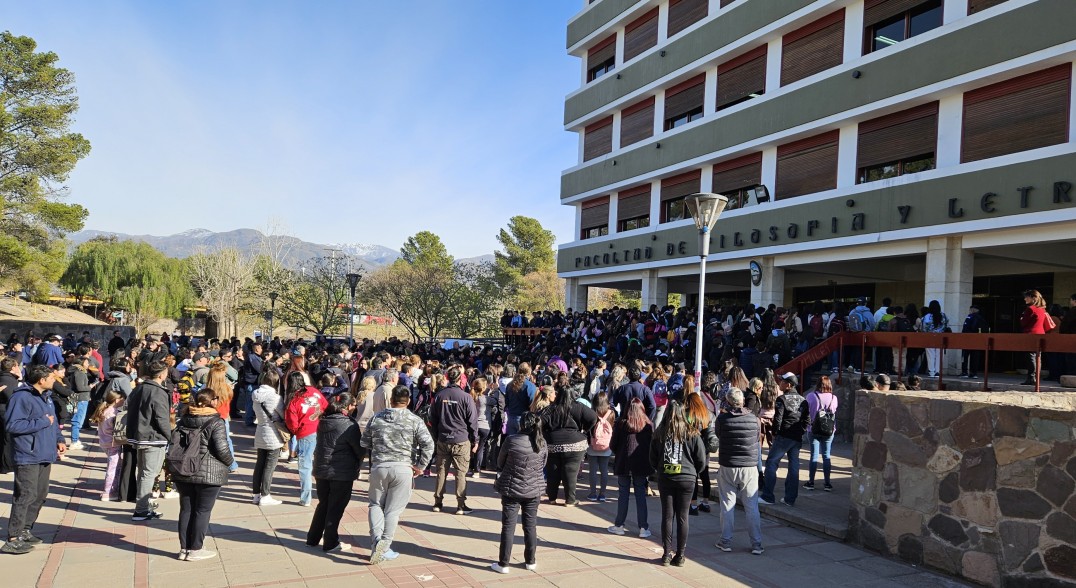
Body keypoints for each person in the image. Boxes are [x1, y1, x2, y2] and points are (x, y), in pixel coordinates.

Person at [363, 384, 435, 564]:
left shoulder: (376, 418)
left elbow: (364, 442)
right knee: (393, 511)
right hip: (403, 468)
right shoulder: (414, 420)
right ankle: (385, 545)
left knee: (375, 505)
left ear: (391, 400)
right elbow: (428, 444)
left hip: (379, 466)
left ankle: (377, 542)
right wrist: (420, 466)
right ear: (408, 401)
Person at [1, 365, 66, 555]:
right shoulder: (21, 397)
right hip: (27, 454)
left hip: (45, 452)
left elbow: (53, 422)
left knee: (39, 494)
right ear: (41, 380)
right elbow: (13, 425)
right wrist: (43, 422)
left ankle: (26, 529)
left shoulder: (46, 397)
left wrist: (59, 440)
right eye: (51, 378)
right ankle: (13, 537)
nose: (55, 380)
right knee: (25, 495)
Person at [172, 390, 233, 562]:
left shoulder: (184, 418)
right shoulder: (215, 421)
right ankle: (196, 549)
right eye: (216, 398)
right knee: (202, 511)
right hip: (208, 473)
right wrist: (230, 463)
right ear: (211, 401)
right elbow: (221, 448)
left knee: (186, 510)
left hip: (183, 469)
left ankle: (184, 549)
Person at [649, 401, 706, 567]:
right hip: (687, 478)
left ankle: (666, 554)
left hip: (666, 477)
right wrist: (693, 471)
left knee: (667, 516)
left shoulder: (660, 433)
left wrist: (660, 469)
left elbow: (652, 458)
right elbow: (701, 459)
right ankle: (680, 555)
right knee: (683, 517)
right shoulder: (693, 433)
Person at [491, 411, 548, 574]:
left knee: (508, 526)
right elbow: (543, 464)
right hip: (533, 489)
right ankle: (530, 561)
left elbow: (500, 462)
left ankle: (504, 564)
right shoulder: (541, 442)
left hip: (511, 489)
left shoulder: (511, 440)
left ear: (521, 424)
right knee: (530, 526)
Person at [307, 392, 363, 553]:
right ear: (347, 406)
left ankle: (313, 538)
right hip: (341, 471)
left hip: (322, 468)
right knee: (336, 507)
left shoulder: (324, 420)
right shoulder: (348, 425)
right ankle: (330, 542)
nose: (354, 408)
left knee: (323, 504)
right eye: (353, 405)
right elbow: (359, 449)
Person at [714, 387, 764, 555]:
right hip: (749, 466)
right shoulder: (754, 419)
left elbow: (719, 435)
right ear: (742, 401)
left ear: (728, 402)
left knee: (727, 505)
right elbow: (757, 438)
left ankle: (725, 541)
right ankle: (756, 543)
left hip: (728, 464)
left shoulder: (722, 419)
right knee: (752, 506)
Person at [540, 376, 597, 507]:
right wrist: (584, 430)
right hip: (575, 443)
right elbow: (593, 417)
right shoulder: (579, 406)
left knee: (552, 470)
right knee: (571, 471)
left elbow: (540, 420)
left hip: (553, 443)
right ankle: (570, 500)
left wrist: (546, 433)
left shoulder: (551, 408)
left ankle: (552, 497)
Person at [430, 365, 478, 514]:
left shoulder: (439, 395)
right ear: (460, 379)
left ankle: (438, 503)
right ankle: (460, 505)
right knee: (461, 473)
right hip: (460, 439)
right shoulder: (465, 397)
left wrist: (437, 436)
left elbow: (433, 419)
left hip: (444, 438)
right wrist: (475, 439)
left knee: (441, 472)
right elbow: (472, 421)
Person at [127, 360, 172, 521]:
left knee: (144, 473)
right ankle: (141, 509)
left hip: (139, 435)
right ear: (161, 374)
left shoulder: (140, 388)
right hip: (153, 437)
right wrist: (170, 436)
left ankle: (144, 505)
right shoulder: (158, 391)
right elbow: (161, 418)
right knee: (149, 473)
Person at [607, 398, 654, 538]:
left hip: (624, 462)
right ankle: (643, 527)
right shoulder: (648, 426)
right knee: (640, 494)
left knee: (623, 494)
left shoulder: (621, 425)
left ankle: (619, 525)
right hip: (641, 463)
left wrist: (620, 452)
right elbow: (652, 446)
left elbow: (612, 445)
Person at [760, 373, 808, 506]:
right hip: (796, 437)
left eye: (782, 381)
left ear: (789, 385)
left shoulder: (782, 399)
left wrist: (775, 434)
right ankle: (790, 499)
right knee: (794, 467)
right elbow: (806, 420)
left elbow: (778, 419)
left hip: (784, 436)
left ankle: (768, 496)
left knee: (771, 463)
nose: (780, 383)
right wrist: (800, 432)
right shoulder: (802, 399)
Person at [284, 371, 328, 507]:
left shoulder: (293, 400)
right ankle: (325, 492)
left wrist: (297, 432)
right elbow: (325, 406)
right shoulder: (314, 391)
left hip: (305, 433)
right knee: (321, 462)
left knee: (305, 466)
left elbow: (292, 423)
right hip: (321, 429)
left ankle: (306, 497)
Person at [251, 370, 285, 506]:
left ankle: (256, 495)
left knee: (259, 464)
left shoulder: (255, 395)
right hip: (273, 434)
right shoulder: (276, 398)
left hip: (260, 431)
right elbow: (282, 415)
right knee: (269, 467)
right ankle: (265, 495)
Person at [802, 375, 838, 492]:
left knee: (814, 456)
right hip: (829, 430)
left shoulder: (811, 396)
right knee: (826, 456)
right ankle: (827, 483)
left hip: (813, 429)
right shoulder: (834, 398)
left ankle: (811, 482)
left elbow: (806, 411)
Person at [685, 391, 718, 516]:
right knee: (705, 476)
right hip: (705, 450)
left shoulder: (688, 414)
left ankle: (693, 505)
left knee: (694, 477)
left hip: (692, 450)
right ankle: (705, 502)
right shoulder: (708, 414)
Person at [90, 389, 126, 501]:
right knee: (113, 468)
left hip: (104, 442)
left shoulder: (104, 410)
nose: (124, 401)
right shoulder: (113, 413)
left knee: (114, 466)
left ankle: (111, 489)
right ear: (117, 400)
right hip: (113, 443)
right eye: (122, 399)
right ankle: (108, 491)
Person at [586, 392, 615, 502]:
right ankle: (602, 494)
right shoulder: (611, 413)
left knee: (592, 470)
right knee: (604, 471)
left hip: (593, 445)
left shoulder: (591, 413)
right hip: (606, 446)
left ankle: (593, 493)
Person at [1019, 290, 1049, 386]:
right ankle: (1035, 377)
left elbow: (1024, 323)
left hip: (1031, 334)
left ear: (1033, 298)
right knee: (1038, 357)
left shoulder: (1030, 309)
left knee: (1031, 357)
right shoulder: (1042, 309)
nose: (1025, 299)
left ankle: (1031, 377)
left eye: (1027, 297)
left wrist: (1022, 318)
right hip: (1040, 334)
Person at [922, 300, 949, 377]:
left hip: (929, 337)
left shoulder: (926, 317)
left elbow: (924, 329)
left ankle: (931, 372)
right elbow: (946, 325)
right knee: (939, 354)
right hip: (941, 338)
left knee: (930, 355)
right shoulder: (943, 315)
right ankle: (938, 371)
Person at [960, 305, 989, 378]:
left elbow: (965, 328)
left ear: (972, 309)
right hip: (978, 340)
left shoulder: (969, 317)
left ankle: (964, 372)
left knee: (965, 356)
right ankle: (974, 373)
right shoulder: (982, 318)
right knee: (975, 357)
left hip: (968, 339)